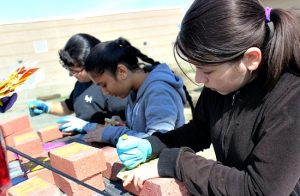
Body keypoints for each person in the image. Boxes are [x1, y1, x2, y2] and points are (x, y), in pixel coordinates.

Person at [116, 1, 300, 195]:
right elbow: (201, 129)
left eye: (207, 70)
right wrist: (153, 144)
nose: (198, 78)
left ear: (251, 59)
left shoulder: (291, 99)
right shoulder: (224, 83)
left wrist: (175, 162)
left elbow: (259, 190)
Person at [83, 37, 188, 145]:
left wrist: (113, 133)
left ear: (122, 72)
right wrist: (123, 125)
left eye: (104, 85)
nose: (104, 92)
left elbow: (158, 141)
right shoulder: (134, 89)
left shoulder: (159, 92)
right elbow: (141, 130)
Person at [28, 33, 127, 133]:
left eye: (75, 71)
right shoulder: (81, 83)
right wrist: (47, 107)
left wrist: (87, 126)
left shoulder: (110, 87)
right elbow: (68, 106)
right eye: (69, 70)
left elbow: (120, 127)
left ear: (91, 64)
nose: (71, 75)